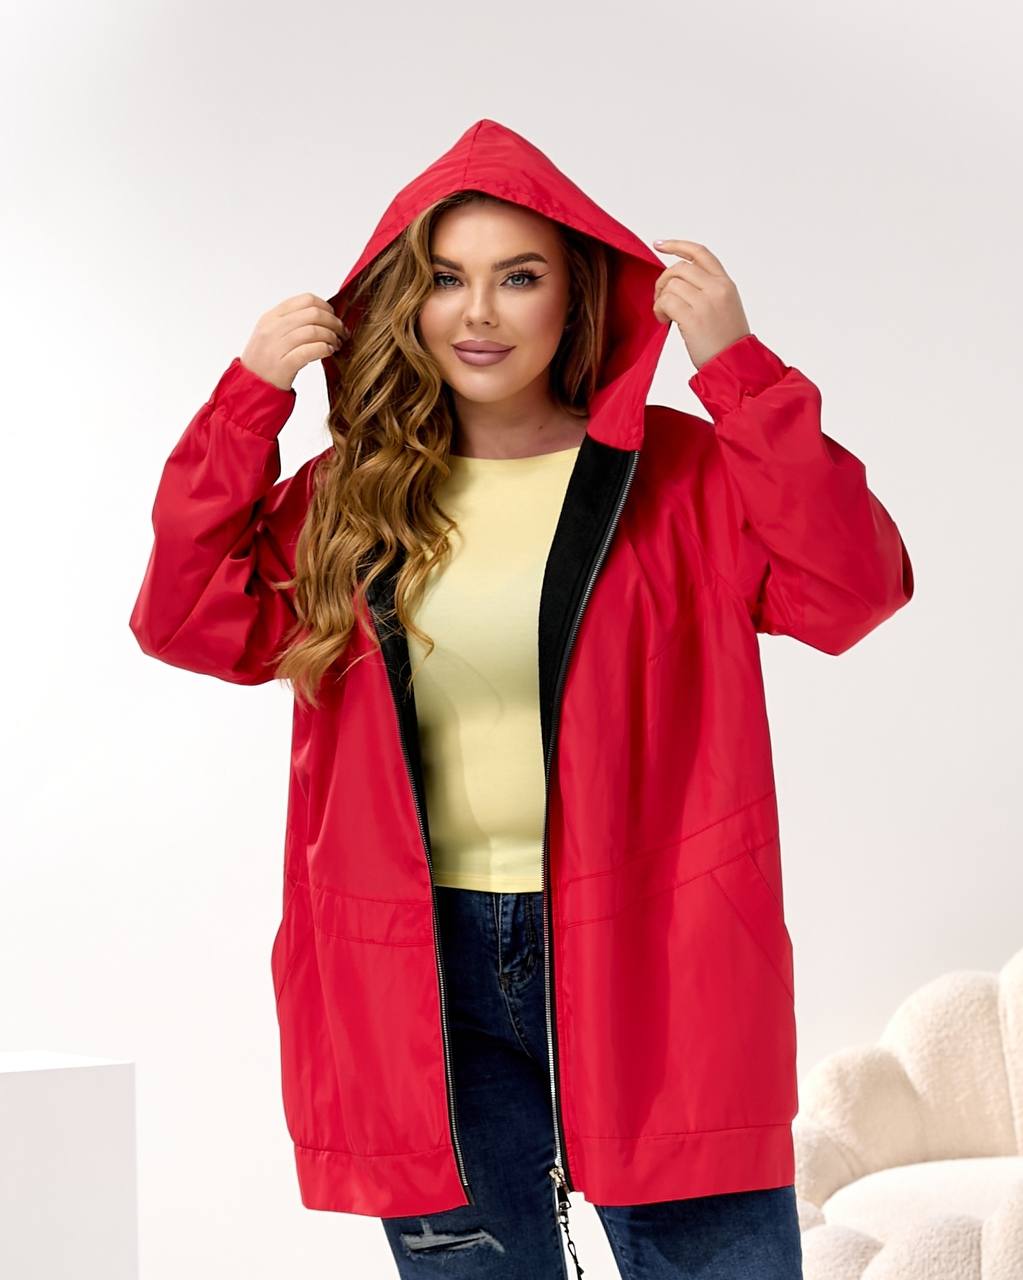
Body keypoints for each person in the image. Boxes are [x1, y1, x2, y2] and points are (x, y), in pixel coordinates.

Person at [128, 118, 914, 1278]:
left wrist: (740, 370)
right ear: (406, 300)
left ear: (577, 294)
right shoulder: (354, 498)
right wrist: (248, 401)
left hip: (656, 948)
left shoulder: (680, 476)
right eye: (447, 278)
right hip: (420, 966)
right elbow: (185, 611)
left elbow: (854, 587)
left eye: (519, 276)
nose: (479, 312)